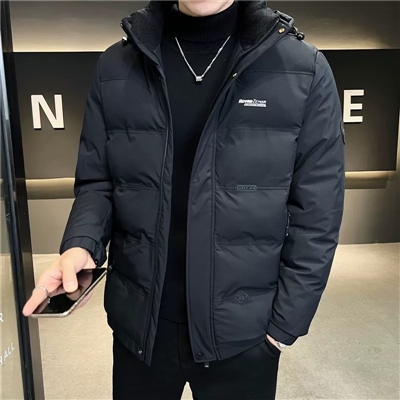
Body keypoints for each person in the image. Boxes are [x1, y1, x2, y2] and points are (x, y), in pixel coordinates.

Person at [23, 0, 345, 398]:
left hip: (245, 339)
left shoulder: (303, 69)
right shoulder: (116, 66)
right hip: (141, 330)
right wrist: (80, 243)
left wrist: (283, 326)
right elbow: (99, 183)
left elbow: (318, 213)